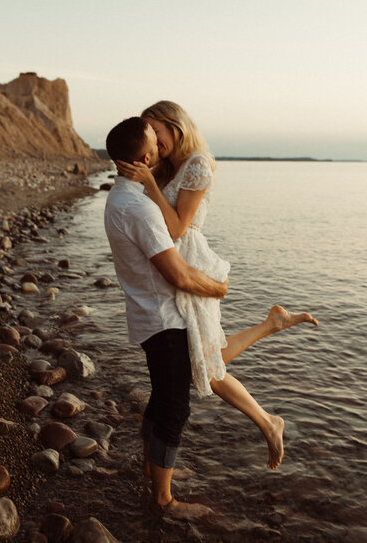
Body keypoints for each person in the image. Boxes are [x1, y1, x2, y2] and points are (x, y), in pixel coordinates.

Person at [115, 101, 318, 474]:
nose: (153, 141)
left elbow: (176, 228)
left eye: (155, 130)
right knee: (203, 360)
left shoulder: (197, 163)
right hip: (172, 266)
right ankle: (271, 332)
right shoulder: (168, 166)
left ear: (174, 125)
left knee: (202, 363)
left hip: (189, 264)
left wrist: (148, 184)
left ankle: (267, 418)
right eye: (147, 135)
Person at [104, 116, 228, 519]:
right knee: (174, 408)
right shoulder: (139, 209)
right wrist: (218, 288)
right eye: (154, 146)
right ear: (143, 157)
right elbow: (176, 273)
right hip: (165, 321)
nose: (160, 148)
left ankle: (154, 469)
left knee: (160, 401)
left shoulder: (118, 199)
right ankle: (163, 498)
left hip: (147, 317)